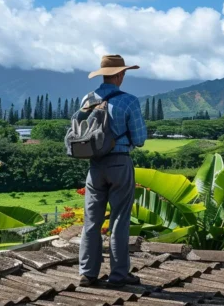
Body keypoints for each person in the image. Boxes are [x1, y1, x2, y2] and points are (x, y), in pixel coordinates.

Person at [78, 54, 147, 287]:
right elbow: (139, 140)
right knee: (119, 220)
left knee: (91, 220)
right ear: (119, 75)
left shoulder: (87, 99)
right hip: (119, 163)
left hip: (94, 166)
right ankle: (118, 275)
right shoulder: (129, 101)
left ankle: (87, 274)